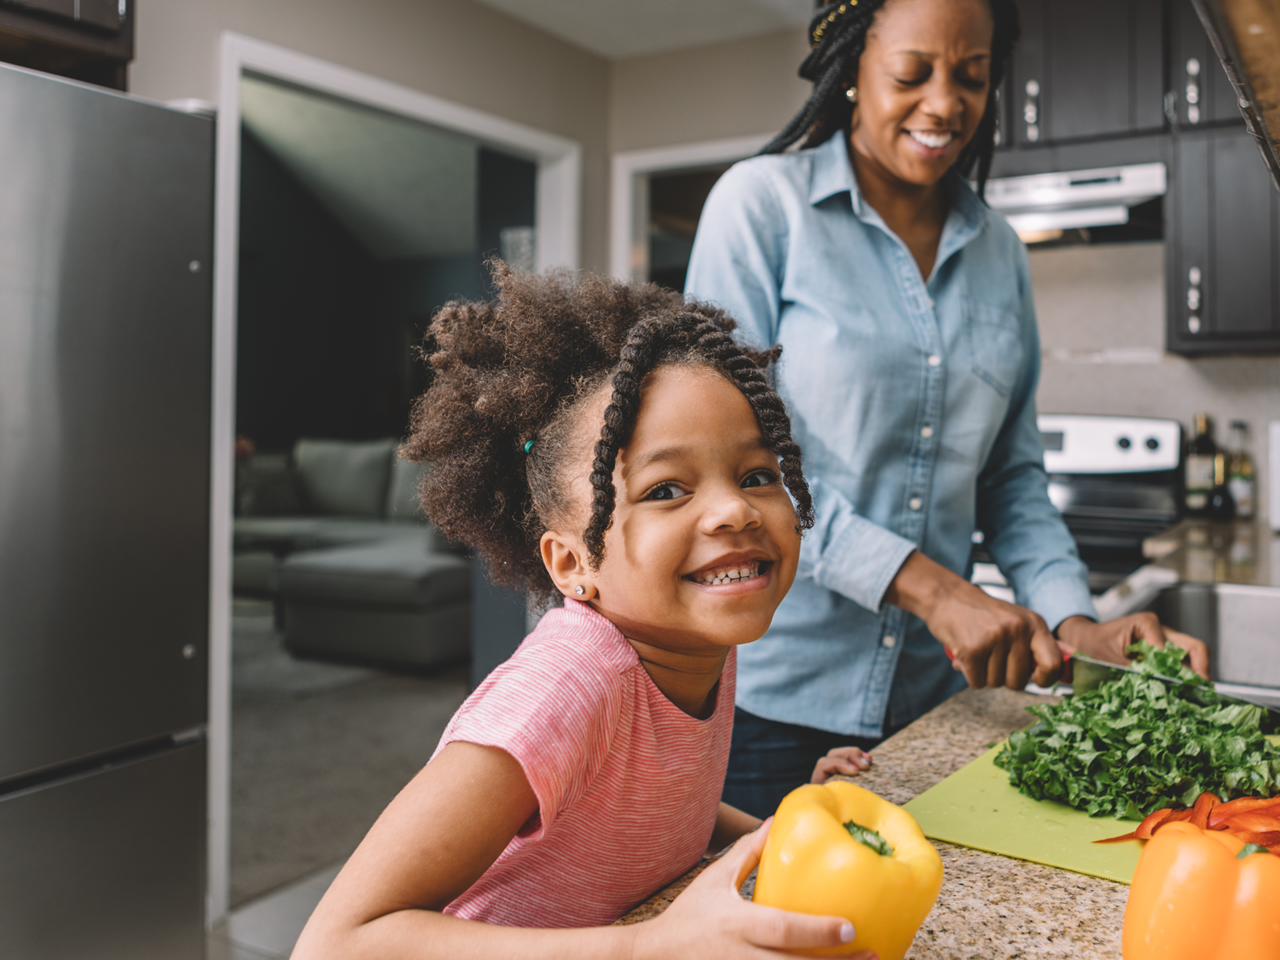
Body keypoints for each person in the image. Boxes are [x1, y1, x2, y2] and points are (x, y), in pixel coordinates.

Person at [685, 0, 1208, 819]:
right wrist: (935, 591)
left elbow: (1012, 479)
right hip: (769, 703)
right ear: (852, 67)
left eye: (972, 75)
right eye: (911, 73)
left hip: (933, 702)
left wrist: (1079, 625)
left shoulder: (999, 250)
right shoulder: (761, 209)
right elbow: (738, 468)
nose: (944, 104)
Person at [291, 266, 877, 960]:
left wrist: (778, 829)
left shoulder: (695, 637)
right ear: (572, 565)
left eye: (756, 475)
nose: (734, 510)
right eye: (666, 489)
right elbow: (337, 942)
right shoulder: (565, 687)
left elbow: (648, 800)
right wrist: (650, 947)